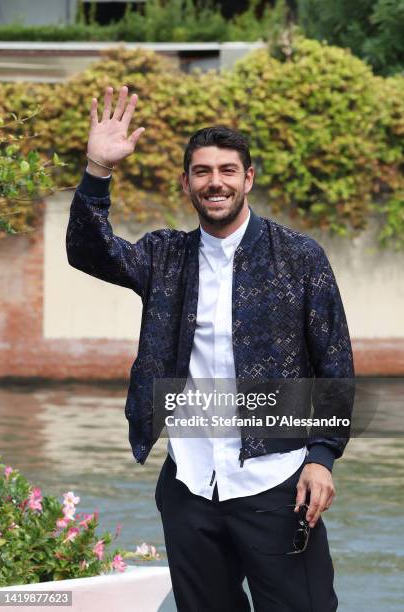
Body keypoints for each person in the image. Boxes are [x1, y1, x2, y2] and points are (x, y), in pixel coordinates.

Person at [66, 85, 355, 611]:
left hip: (278, 483)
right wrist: (97, 171)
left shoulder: (300, 258)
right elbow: (88, 251)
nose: (214, 182)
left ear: (248, 178)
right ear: (187, 184)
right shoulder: (165, 256)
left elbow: (335, 364)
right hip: (190, 482)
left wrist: (321, 458)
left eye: (226, 170)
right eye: (202, 172)